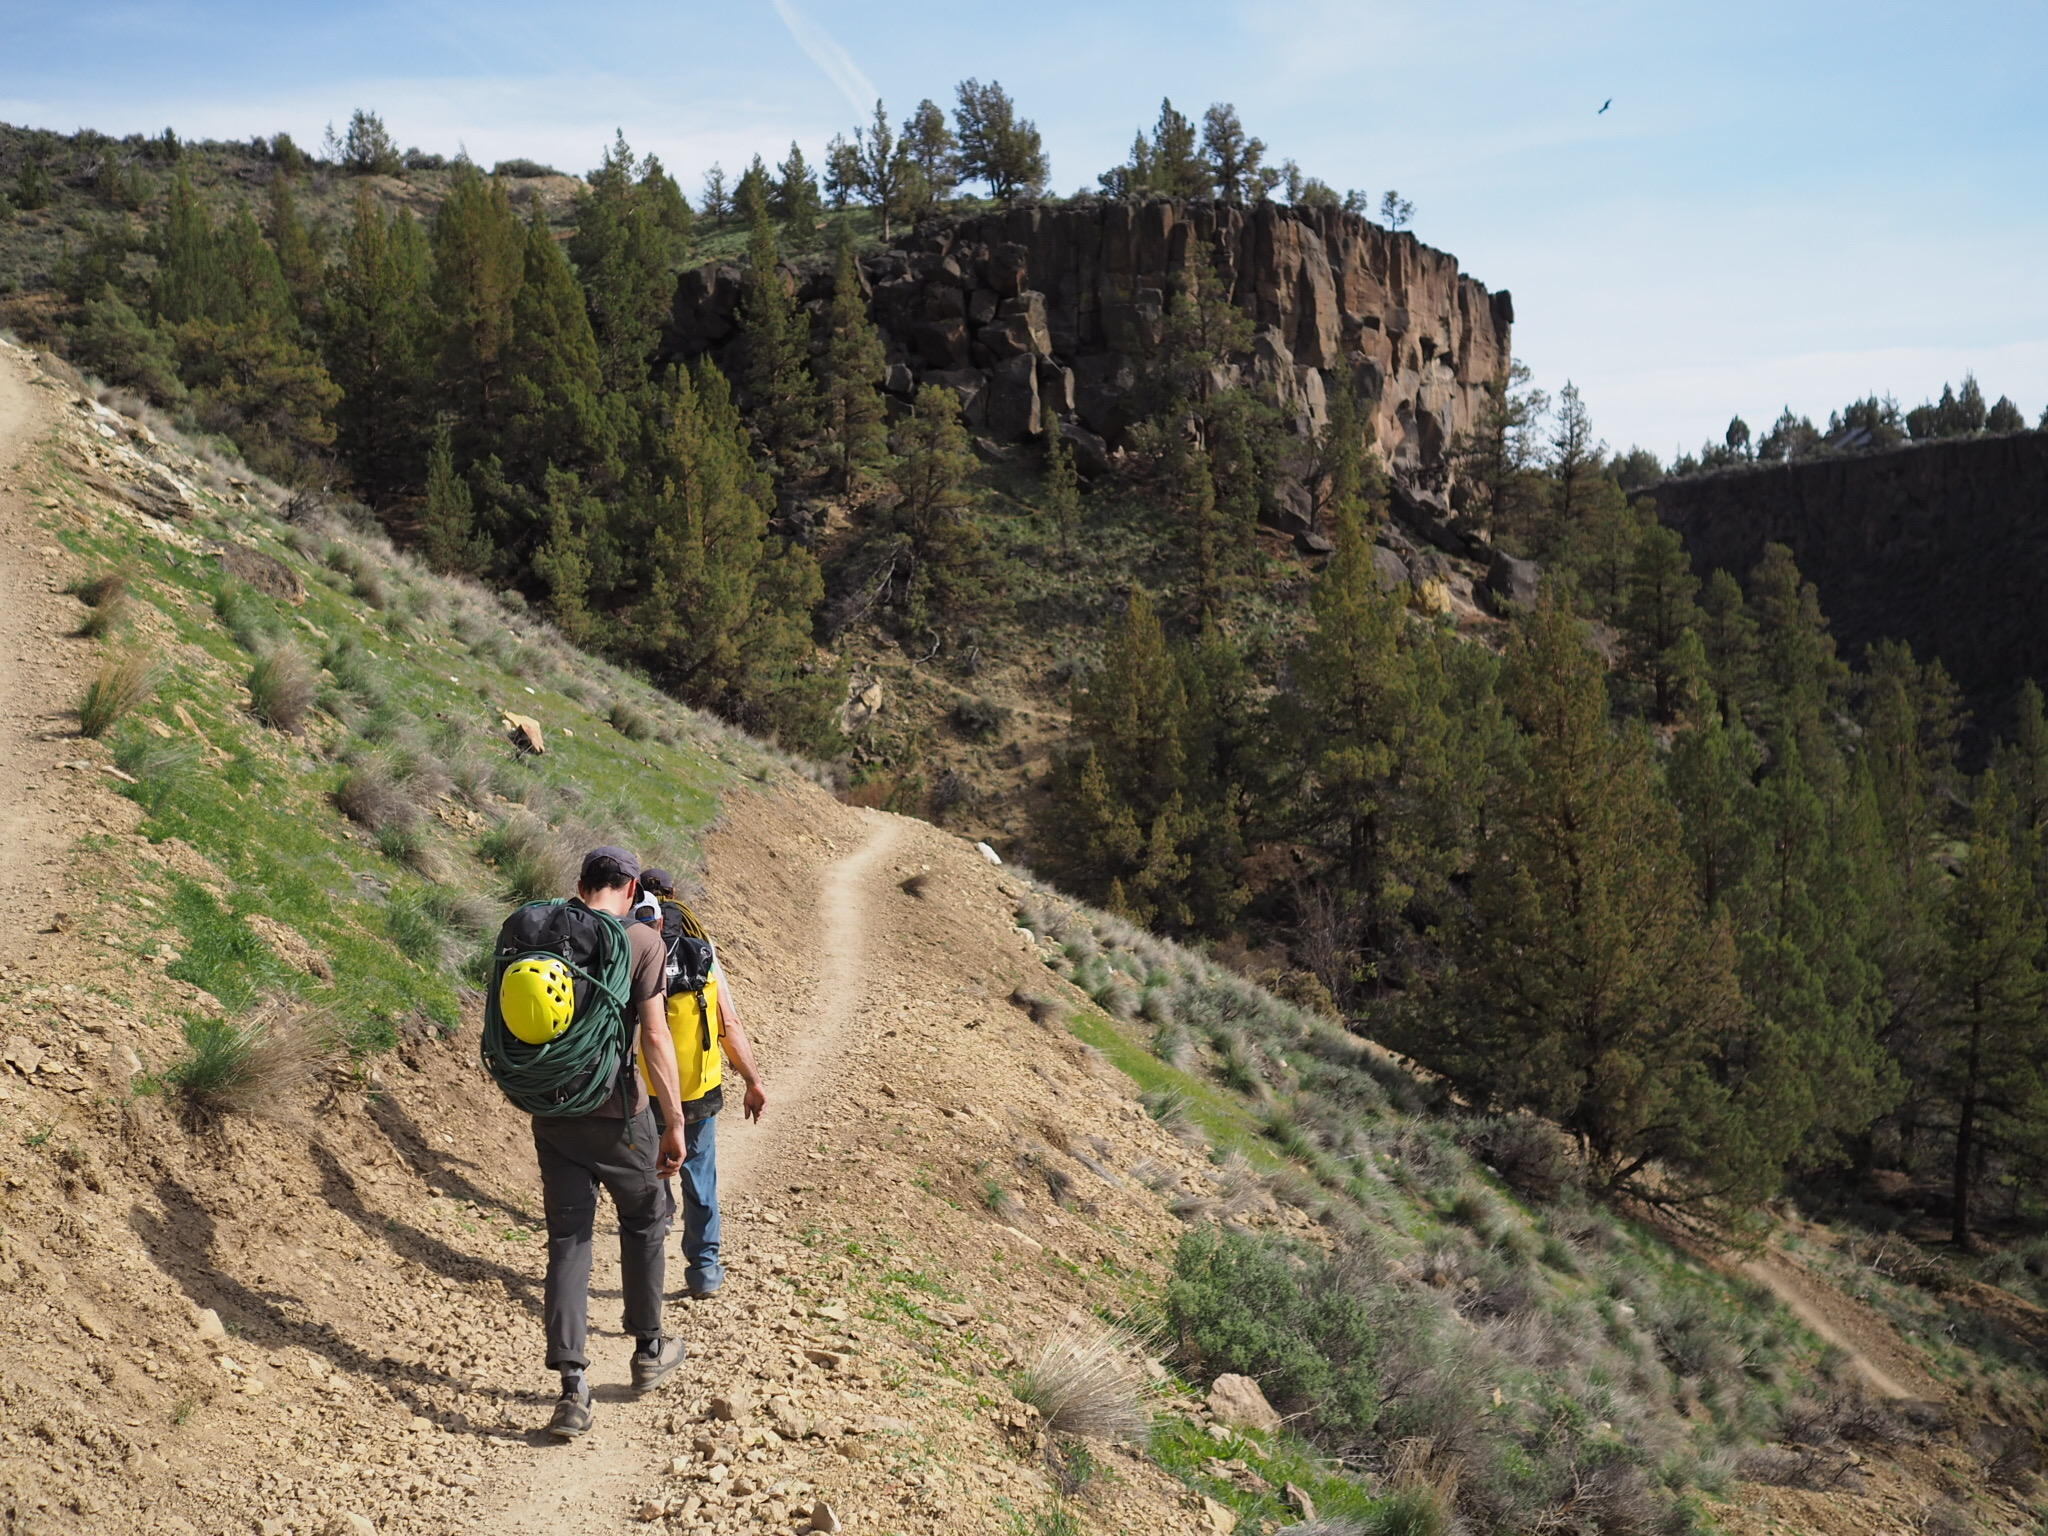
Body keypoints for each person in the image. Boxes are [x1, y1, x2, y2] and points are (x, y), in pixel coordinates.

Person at [532, 847, 689, 1439]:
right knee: (646, 1219)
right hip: (620, 1114)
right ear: (630, 890)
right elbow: (654, 1037)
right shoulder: (643, 941)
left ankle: (572, 1388)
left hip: (553, 1111)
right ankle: (649, 1349)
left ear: (579, 886)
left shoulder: (545, 931)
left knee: (568, 1239)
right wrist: (673, 1122)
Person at [639, 867, 768, 1301]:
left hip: (645, 1088)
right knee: (700, 1177)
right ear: (674, 894)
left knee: (649, 1180)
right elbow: (727, 1022)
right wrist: (752, 1079)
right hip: (698, 1088)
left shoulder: (631, 944)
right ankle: (705, 1270)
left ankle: (646, 1273)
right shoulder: (701, 950)